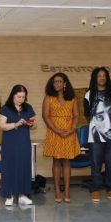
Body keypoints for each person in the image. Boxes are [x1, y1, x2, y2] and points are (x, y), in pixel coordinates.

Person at [84, 67, 111, 203]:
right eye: (99, 76)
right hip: (95, 136)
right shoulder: (88, 94)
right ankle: (95, 189)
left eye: (104, 75)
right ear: (94, 78)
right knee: (96, 163)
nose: (102, 78)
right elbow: (87, 115)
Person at [42, 72, 80, 203]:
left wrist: (72, 128)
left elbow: (76, 115)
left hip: (69, 132)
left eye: (59, 81)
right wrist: (57, 130)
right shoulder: (48, 98)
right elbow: (45, 116)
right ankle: (58, 190)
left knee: (67, 162)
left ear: (65, 84)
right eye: (54, 82)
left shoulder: (72, 98)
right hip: (54, 132)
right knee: (56, 161)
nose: (56, 84)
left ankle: (67, 190)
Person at [0, 84, 37, 206]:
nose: (21, 99)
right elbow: (2, 126)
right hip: (10, 143)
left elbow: (35, 124)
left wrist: (31, 124)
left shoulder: (28, 107)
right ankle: (9, 195)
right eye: (19, 97)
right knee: (9, 167)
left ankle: (22, 195)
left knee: (24, 167)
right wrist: (15, 124)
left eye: (23, 97)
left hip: (24, 143)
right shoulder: (6, 108)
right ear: (13, 95)